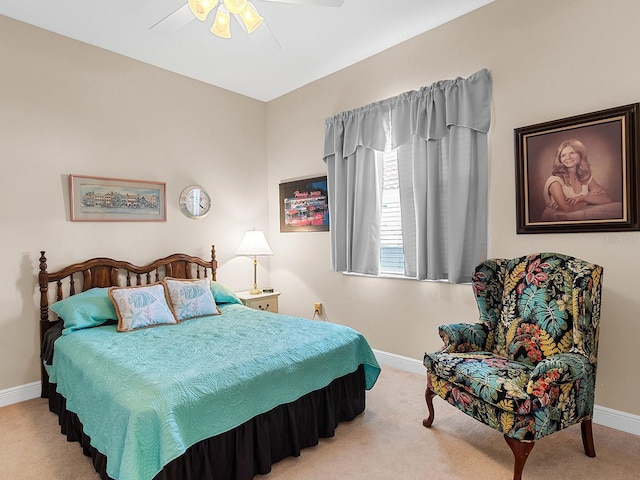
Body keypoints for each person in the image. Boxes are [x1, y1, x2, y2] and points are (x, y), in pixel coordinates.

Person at [540, 139, 619, 221]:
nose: (568, 158)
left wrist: (582, 198)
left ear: (580, 155)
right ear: (560, 159)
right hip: (557, 220)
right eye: (563, 155)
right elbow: (566, 209)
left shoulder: (585, 177)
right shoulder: (555, 180)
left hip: (577, 217)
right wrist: (588, 199)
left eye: (572, 153)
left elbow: (607, 199)